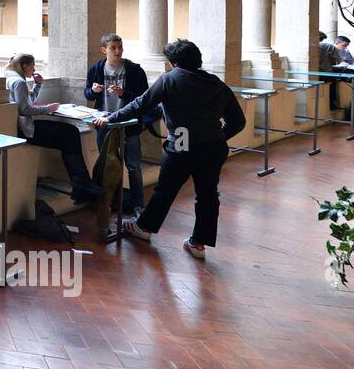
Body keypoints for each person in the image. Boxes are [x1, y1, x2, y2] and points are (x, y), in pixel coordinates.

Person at [94, 39, 246, 259]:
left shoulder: (170, 79)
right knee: (208, 195)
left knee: (165, 190)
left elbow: (139, 104)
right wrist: (218, 136)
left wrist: (110, 118)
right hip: (213, 148)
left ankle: (144, 229)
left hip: (182, 145)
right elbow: (238, 121)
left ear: (174, 62)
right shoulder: (216, 83)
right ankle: (198, 244)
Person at [3, 53, 103, 204]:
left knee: (70, 133)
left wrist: (38, 85)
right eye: (32, 65)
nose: (34, 69)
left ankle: (81, 186)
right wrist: (47, 109)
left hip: (22, 126)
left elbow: (26, 102)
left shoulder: (11, 77)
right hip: (25, 130)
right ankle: (82, 186)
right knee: (70, 134)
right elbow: (24, 109)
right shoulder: (19, 82)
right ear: (24, 66)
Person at [84, 34, 150, 214]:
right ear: (104, 50)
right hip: (104, 122)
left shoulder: (135, 70)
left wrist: (123, 93)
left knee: (133, 165)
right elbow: (88, 94)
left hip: (129, 123)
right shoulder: (96, 68)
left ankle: (138, 205)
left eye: (120, 47)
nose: (118, 51)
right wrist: (93, 91)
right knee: (108, 165)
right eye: (113, 47)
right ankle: (110, 202)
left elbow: (143, 98)